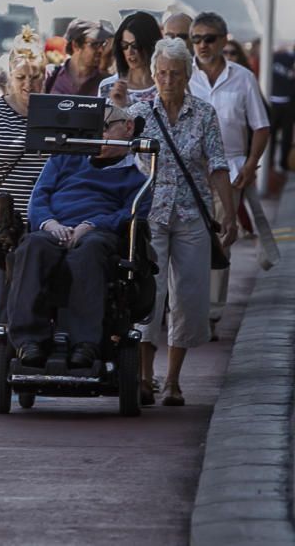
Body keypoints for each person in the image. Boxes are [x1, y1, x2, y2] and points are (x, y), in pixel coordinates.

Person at [130, 38, 236, 406]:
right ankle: (145, 378)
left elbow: (218, 166)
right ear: (153, 74)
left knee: (189, 299)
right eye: (161, 73)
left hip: (193, 215)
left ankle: (173, 380)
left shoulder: (203, 114)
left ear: (188, 75)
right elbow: (117, 153)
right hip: (152, 214)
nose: (168, 80)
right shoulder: (140, 111)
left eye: (175, 74)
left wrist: (230, 216)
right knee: (149, 296)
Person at [7, 105, 152, 369]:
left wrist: (90, 225)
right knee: (32, 246)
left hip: (98, 234)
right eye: (92, 128)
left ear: (127, 127)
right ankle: (29, 341)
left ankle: (84, 343)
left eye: (105, 127)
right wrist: (50, 224)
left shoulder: (135, 178)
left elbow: (130, 213)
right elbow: (39, 198)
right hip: (55, 227)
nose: (98, 134)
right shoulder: (64, 159)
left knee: (90, 250)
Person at [187, 12, 269, 337]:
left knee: (221, 241)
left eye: (209, 39)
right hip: (190, 171)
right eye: (196, 39)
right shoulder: (183, 76)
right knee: (189, 241)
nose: (202, 45)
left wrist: (250, 167)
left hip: (231, 171)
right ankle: (185, 308)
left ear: (223, 40)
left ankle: (210, 314)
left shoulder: (242, 78)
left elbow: (261, 126)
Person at [0, 27, 50, 321]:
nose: (29, 84)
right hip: (6, 216)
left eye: (36, 77)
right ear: (10, 77)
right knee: (5, 288)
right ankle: (4, 344)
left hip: (46, 216)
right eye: (21, 78)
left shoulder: (57, 111)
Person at [98, 11, 163, 107]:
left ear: (150, 45)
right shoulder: (108, 86)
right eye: (124, 45)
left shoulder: (165, 84)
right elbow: (102, 121)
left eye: (135, 45)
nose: (130, 51)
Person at [45, 18, 112, 96]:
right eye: (95, 44)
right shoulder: (50, 75)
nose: (101, 50)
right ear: (75, 45)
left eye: (103, 44)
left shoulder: (106, 83)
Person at [268, 48, 295, 172]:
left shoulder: (275, 56)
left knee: (273, 135)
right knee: (285, 135)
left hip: (276, 100)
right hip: (285, 102)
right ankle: (282, 163)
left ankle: (271, 163)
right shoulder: (279, 57)